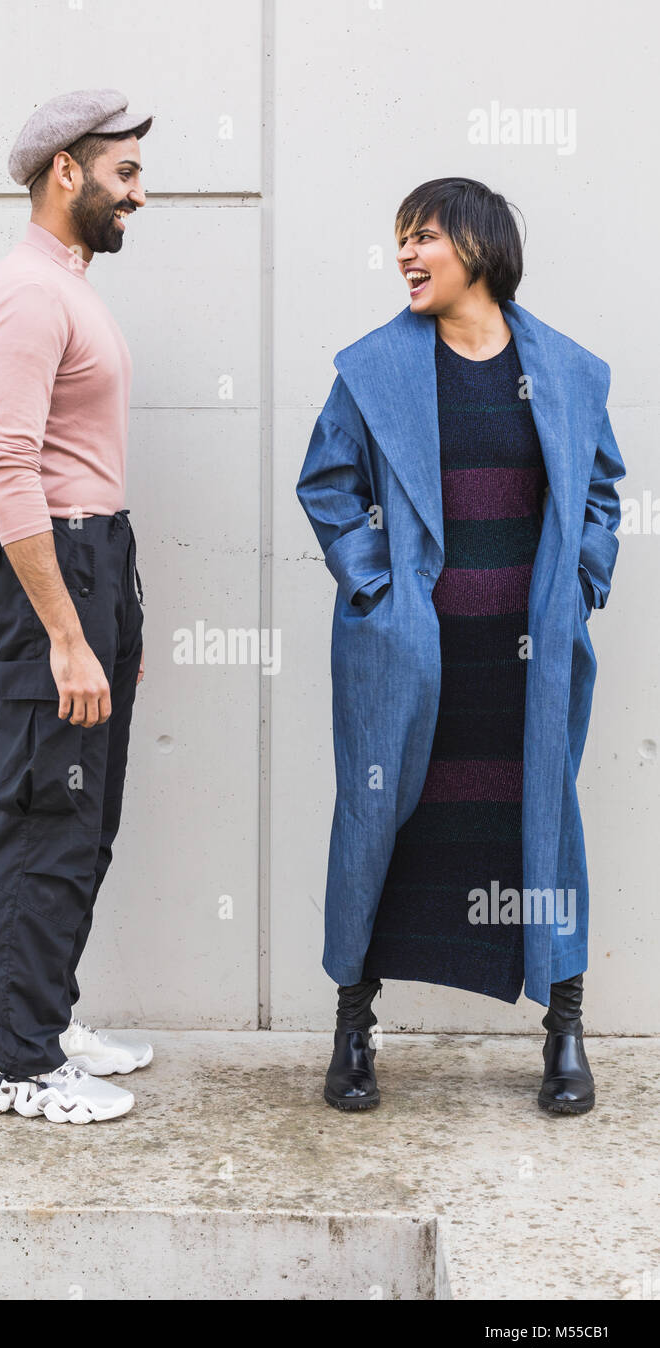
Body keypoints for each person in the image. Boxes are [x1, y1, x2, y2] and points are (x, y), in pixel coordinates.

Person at [297, 177, 625, 1115]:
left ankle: (564, 1032)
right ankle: (355, 1028)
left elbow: (602, 492)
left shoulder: (565, 370)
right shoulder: (372, 370)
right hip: (410, 656)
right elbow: (327, 484)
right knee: (380, 828)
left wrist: (586, 583)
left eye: (423, 236)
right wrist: (377, 588)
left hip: (528, 660)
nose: (405, 255)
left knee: (541, 826)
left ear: (478, 247)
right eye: (399, 239)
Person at [0, 89, 154, 1125]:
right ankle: (15, 1062)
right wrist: (67, 634)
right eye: (123, 174)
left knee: (82, 818)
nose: (138, 193)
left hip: (93, 556)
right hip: (50, 567)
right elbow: (6, 467)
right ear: (66, 173)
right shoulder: (27, 293)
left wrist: (106, 609)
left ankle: (37, 1014)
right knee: (46, 817)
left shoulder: (67, 284)